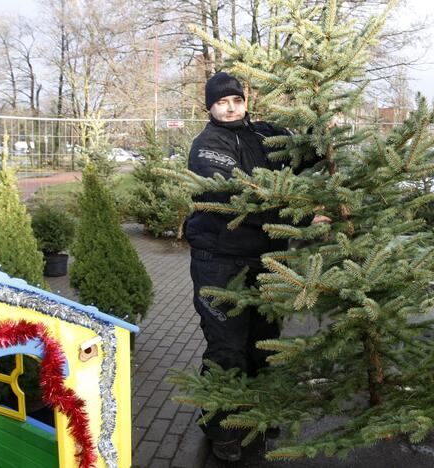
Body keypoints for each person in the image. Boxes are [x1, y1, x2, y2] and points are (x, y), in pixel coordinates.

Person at [184, 71, 322, 461]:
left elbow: (303, 152)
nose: (230, 108)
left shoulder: (264, 134)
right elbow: (237, 196)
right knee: (227, 347)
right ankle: (221, 427)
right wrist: (301, 218)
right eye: (221, 102)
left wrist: (319, 117)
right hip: (219, 262)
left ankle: (258, 414)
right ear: (209, 106)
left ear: (246, 102)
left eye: (236, 100)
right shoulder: (208, 145)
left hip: (266, 259)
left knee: (263, 342)